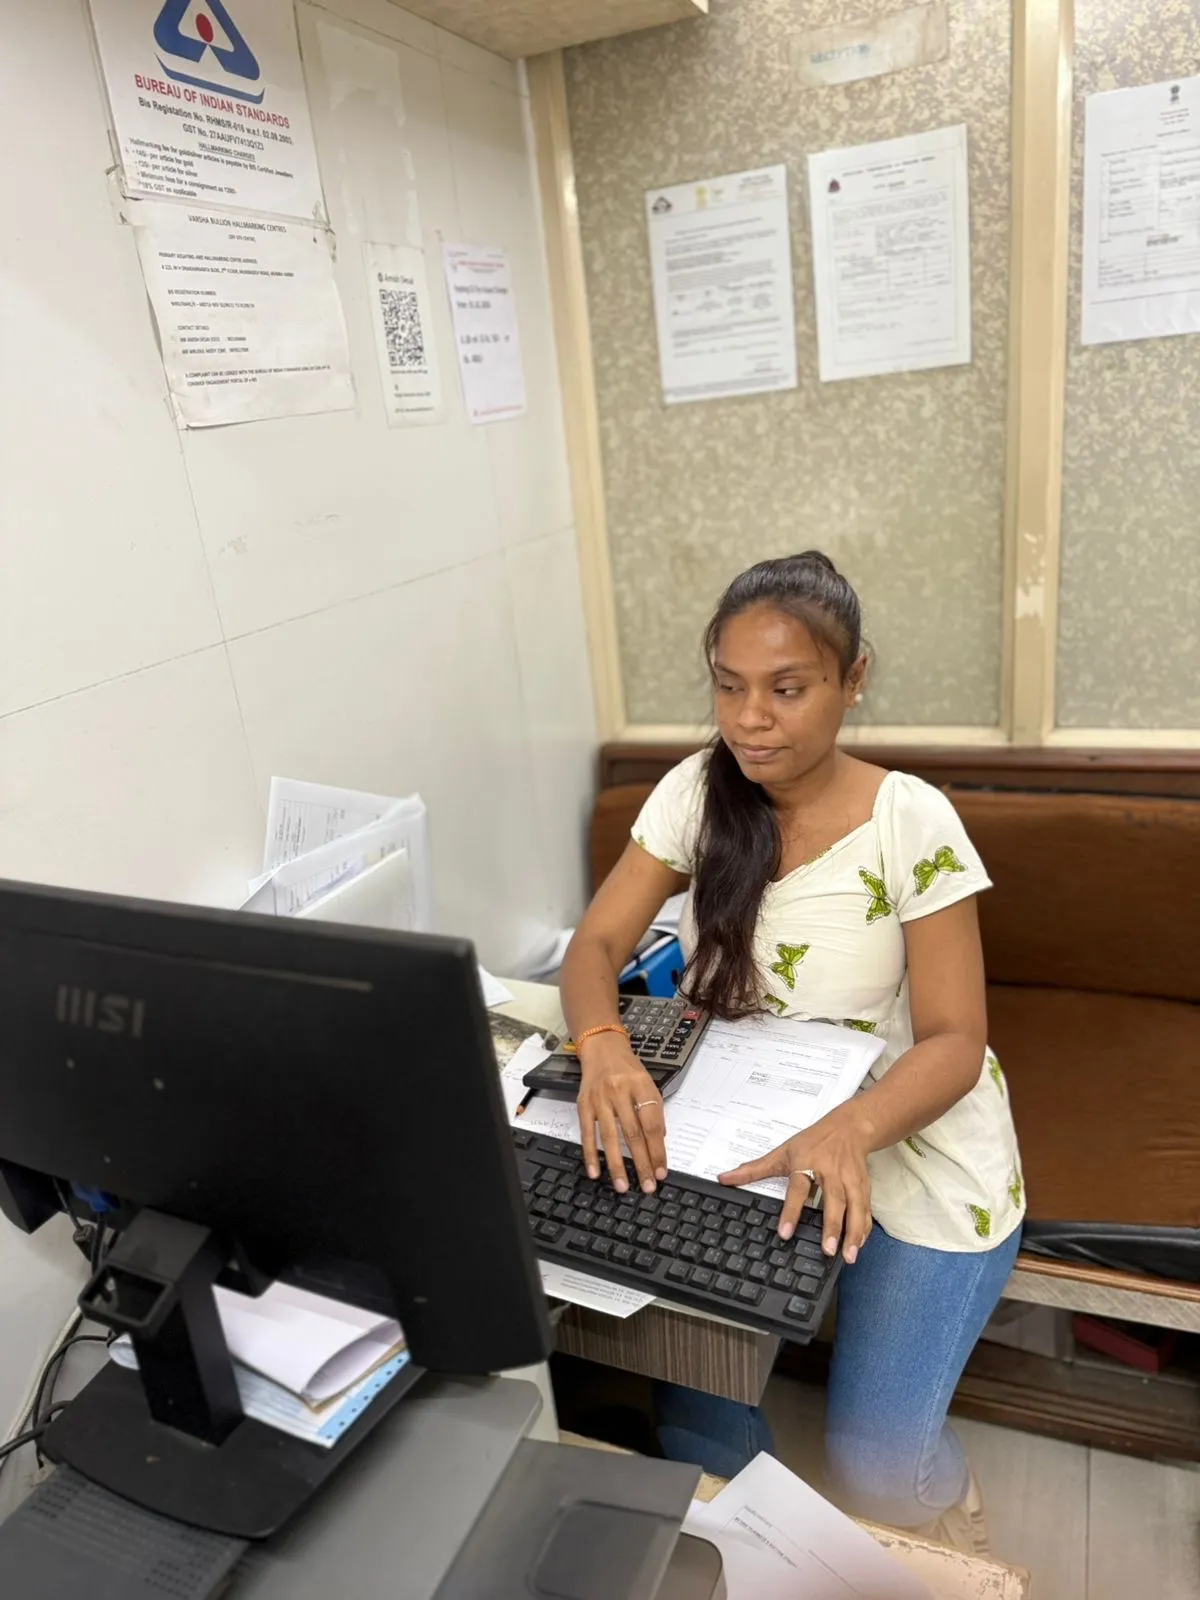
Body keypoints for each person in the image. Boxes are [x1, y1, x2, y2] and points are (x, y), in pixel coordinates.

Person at [559, 551, 1024, 1554]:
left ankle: (939, 1505)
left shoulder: (910, 819)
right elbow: (595, 947)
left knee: (879, 1473)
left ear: (854, 678)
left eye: (787, 688)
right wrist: (602, 1046)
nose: (750, 718)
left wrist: (850, 1129)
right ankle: (771, 1556)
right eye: (729, 686)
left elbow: (956, 1040)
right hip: (750, 1129)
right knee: (701, 1431)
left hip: (908, 1138)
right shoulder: (696, 792)